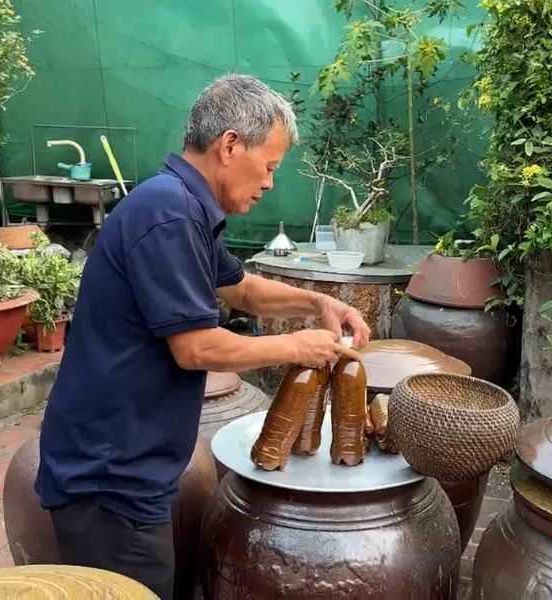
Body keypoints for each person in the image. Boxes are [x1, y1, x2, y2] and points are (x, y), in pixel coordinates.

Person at [34, 73, 371, 599]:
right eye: (270, 166)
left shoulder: (182, 205)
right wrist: (297, 346)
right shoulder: (168, 213)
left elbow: (242, 289)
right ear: (230, 145)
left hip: (127, 464)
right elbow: (196, 348)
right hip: (109, 477)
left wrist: (319, 303)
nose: (269, 183)